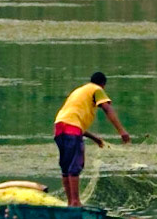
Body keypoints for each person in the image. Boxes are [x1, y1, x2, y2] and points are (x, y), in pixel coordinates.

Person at [53, 72, 129, 205]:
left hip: (59, 127)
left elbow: (74, 123)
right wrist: (121, 131)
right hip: (71, 129)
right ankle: (75, 202)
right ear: (103, 85)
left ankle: (70, 202)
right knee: (75, 165)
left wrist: (95, 138)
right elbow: (107, 109)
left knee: (66, 167)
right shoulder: (97, 89)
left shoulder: (79, 91)